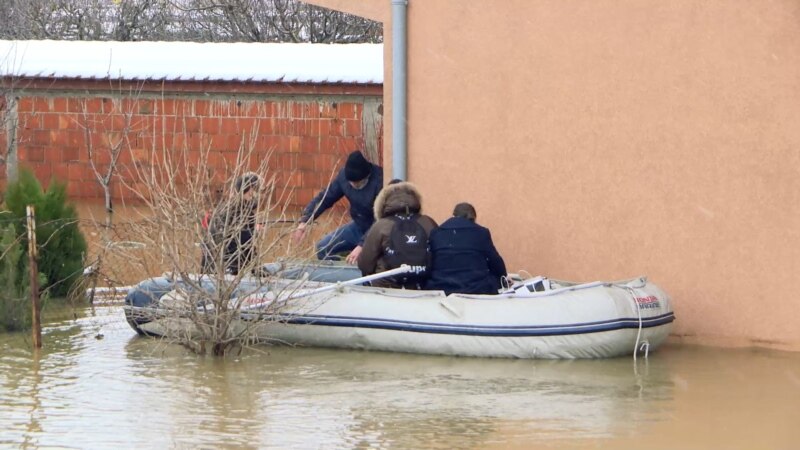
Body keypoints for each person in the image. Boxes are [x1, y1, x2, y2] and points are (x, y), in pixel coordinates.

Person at [292, 150, 383, 263]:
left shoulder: (380, 181)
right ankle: (341, 272)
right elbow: (324, 199)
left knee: (367, 259)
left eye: (358, 183)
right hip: (358, 226)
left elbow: (380, 220)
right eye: (352, 183)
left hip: (377, 231)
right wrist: (304, 222)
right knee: (323, 249)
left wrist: (362, 245)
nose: (354, 186)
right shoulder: (343, 177)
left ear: (367, 176)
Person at [357, 181, 438, 289]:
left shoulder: (381, 226)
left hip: (387, 288)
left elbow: (365, 264)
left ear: (383, 202)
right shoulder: (428, 223)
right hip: (422, 286)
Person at [425, 202, 507, 295]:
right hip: (476, 288)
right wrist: (503, 279)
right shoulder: (481, 232)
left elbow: (429, 263)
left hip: (441, 287)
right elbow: (496, 262)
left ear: (453, 215)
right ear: (473, 219)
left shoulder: (436, 232)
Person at [201, 173, 262, 276]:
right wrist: (254, 232)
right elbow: (244, 244)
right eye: (253, 191)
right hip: (226, 268)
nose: (256, 196)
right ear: (249, 190)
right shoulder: (239, 213)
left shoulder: (224, 208)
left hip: (212, 267)